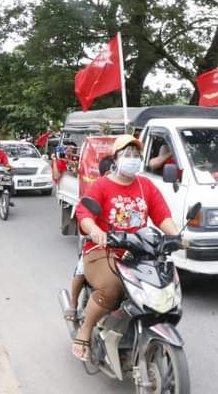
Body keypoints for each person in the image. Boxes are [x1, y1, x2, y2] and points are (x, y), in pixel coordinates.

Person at [71, 136, 178, 361]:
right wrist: (94, 230)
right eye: (126, 154)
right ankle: (85, 331)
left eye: (136, 155)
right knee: (111, 287)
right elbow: (84, 213)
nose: (132, 159)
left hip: (138, 251)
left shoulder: (145, 185)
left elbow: (162, 216)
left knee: (162, 284)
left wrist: (177, 236)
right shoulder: (102, 185)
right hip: (103, 250)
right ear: (115, 159)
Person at [64, 155, 116, 322]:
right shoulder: (97, 189)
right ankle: (73, 304)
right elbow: (85, 215)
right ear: (108, 172)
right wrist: (94, 231)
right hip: (94, 242)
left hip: (121, 244)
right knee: (81, 270)